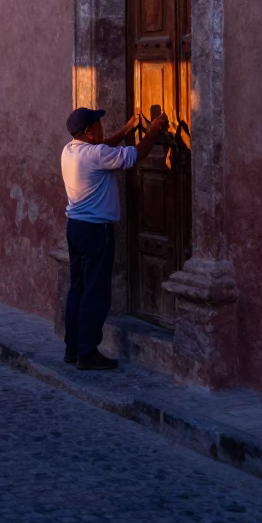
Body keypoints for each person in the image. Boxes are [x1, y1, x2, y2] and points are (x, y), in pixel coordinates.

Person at [61, 106, 169, 370]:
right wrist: (155, 128)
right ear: (87, 132)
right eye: (97, 124)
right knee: (95, 293)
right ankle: (88, 353)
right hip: (96, 231)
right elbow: (139, 153)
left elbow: (105, 147)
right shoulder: (96, 155)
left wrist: (125, 130)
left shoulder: (70, 150)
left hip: (75, 228)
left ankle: (73, 349)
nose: (101, 127)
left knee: (77, 289)